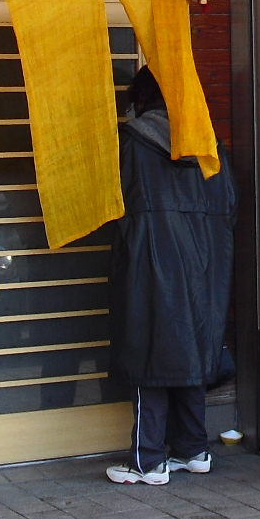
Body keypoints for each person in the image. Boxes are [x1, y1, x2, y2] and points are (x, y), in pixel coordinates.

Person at [105, 65, 236, 485]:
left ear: (142, 99)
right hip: (206, 266)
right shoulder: (209, 145)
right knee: (190, 352)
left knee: (150, 356)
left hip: (149, 262)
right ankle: (193, 449)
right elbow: (229, 205)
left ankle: (147, 460)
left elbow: (111, 203)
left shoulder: (131, 142)